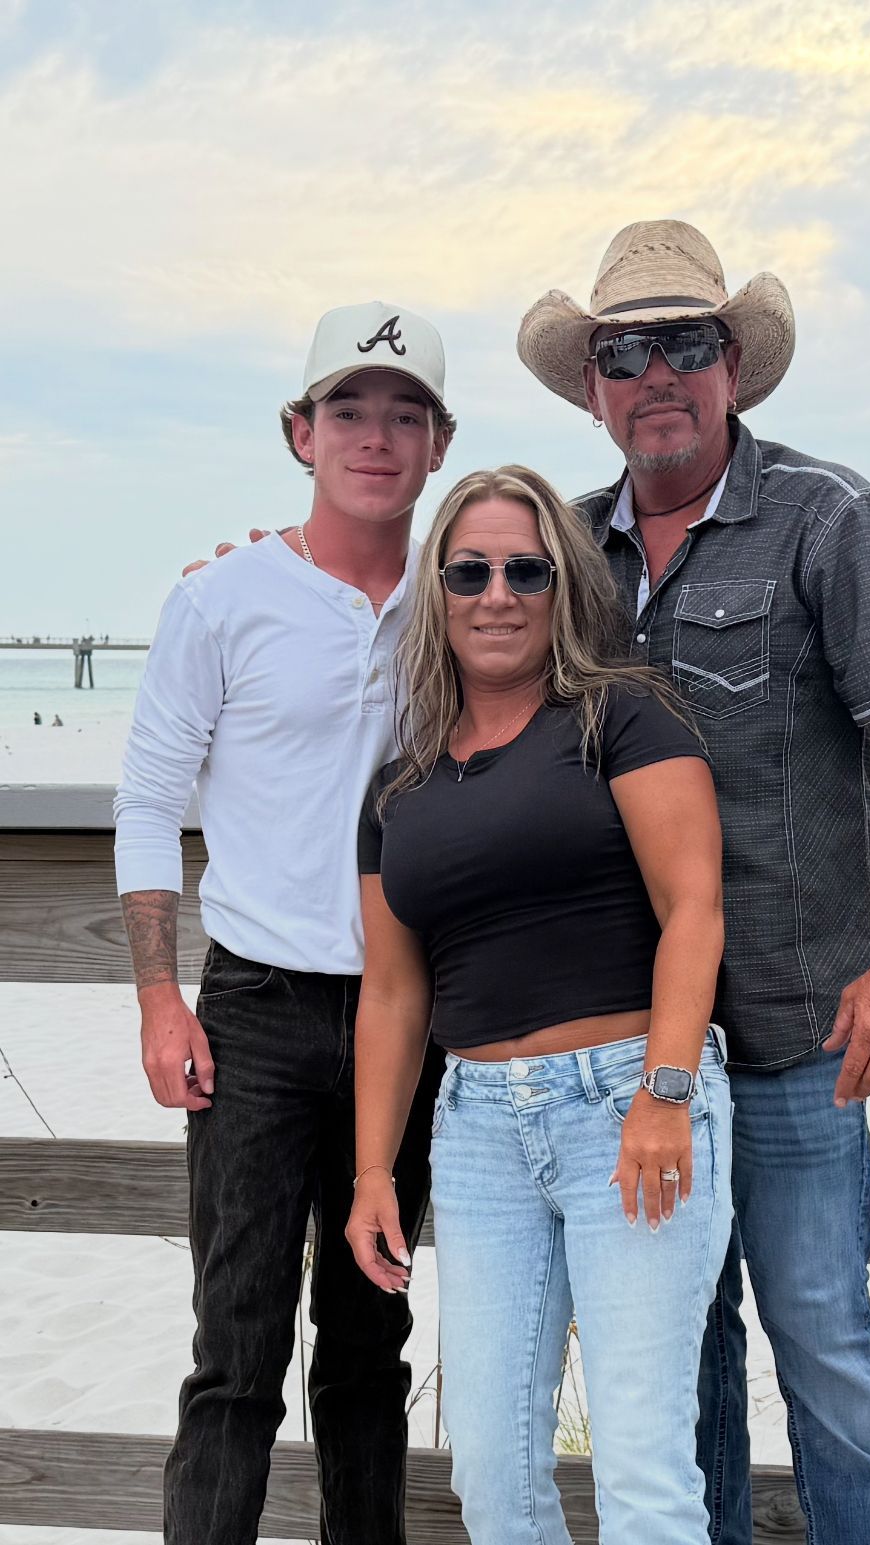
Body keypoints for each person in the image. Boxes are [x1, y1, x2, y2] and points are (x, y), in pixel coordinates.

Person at [517, 220, 870, 1545]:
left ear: (733, 366)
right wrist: (277, 580)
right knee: (674, 1372)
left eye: (683, 343)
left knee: (824, 1348)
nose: (654, 374)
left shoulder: (829, 518)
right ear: (591, 383)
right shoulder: (565, 551)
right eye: (622, 351)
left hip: (794, 1033)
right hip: (631, 1049)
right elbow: (452, 664)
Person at [113, 301, 455, 1545]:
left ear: (438, 443)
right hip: (253, 1009)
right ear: (300, 434)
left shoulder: (467, 600)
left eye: (404, 414)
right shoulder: (219, 598)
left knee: (370, 1347)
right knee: (236, 1345)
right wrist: (159, 998)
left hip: (406, 1012)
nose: (376, 437)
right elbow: (150, 804)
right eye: (349, 411)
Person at [346, 465, 732, 1545]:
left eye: (528, 568)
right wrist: (375, 1171)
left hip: (628, 1101)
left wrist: (662, 1089)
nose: (497, 592)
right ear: (438, 592)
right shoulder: (399, 787)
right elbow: (392, 989)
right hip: (475, 1131)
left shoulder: (624, 716)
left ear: (564, 584)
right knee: (491, 1468)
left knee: (643, 1465)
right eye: (469, 571)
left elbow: (693, 908)